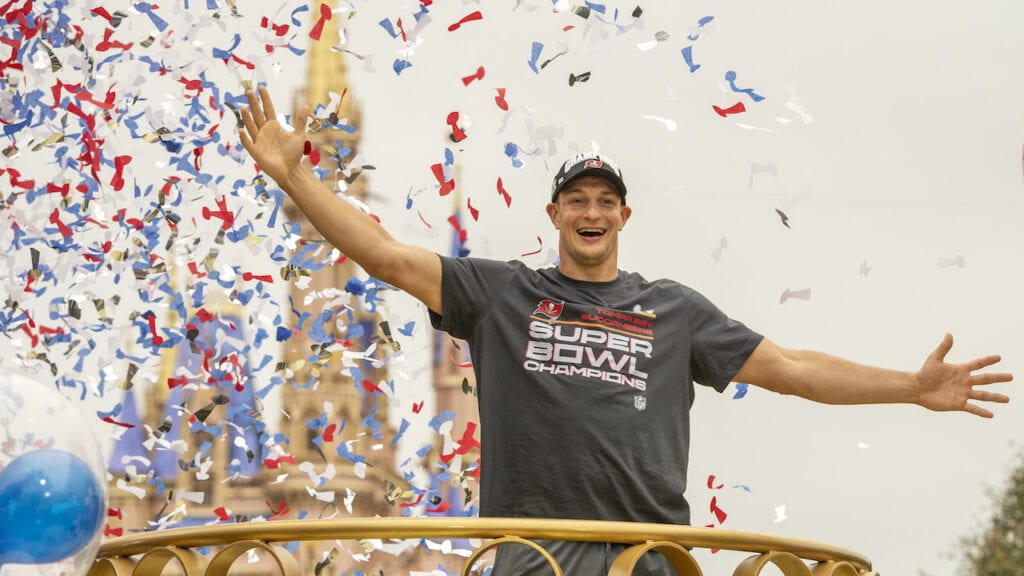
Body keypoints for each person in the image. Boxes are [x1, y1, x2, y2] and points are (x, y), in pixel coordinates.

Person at [239, 87, 1013, 575]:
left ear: (623, 216)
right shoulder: (504, 295)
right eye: (576, 199)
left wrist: (910, 388)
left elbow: (796, 369)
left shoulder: (674, 311)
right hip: (535, 555)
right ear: (554, 215)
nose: (591, 212)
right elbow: (383, 255)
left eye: (605, 200)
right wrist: (293, 175)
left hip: (646, 558)